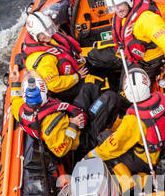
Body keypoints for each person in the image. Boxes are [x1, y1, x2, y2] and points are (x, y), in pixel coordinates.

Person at [22, 9, 120, 146]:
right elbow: (54, 84)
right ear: (37, 36)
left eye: (50, 29)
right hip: (66, 86)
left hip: (72, 71)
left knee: (99, 68)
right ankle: (112, 104)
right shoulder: (44, 61)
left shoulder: (46, 40)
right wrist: (76, 77)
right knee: (95, 85)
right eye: (45, 34)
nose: (50, 34)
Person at [85, 67, 165, 196]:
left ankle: (128, 184)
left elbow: (115, 145)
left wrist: (92, 155)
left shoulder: (134, 119)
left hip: (146, 160)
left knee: (104, 140)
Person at [86, 0, 165, 91]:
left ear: (129, 1)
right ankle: (105, 81)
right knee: (93, 56)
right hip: (127, 53)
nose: (117, 10)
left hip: (146, 62)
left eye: (119, 5)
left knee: (126, 94)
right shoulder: (122, 14)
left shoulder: (148, 20)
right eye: (113, 7)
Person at [12, 73, 86, 160]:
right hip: (78, 139)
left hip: (57, 127)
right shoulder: (50, 121)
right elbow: (61, 151)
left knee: (87, 92)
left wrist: (15, 82)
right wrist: (73, 125)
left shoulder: (19, 107)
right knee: (93, 93)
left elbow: (15, 99)